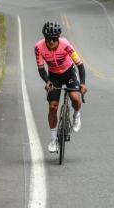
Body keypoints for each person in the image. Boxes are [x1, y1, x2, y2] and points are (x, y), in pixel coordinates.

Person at [34, 21, 87, 153]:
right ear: (44, 38)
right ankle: (53, 140)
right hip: (53, 76)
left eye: (54, 39)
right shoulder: (39, 47)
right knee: (53, 106)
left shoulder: (65, 44)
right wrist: (47, 81)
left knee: (75, 97)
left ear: (58, 38)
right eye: (48, 39)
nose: (51, 42)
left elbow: (80, 65)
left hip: (69, 72)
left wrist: (83, 83)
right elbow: (41, 69)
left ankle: (76, 115)